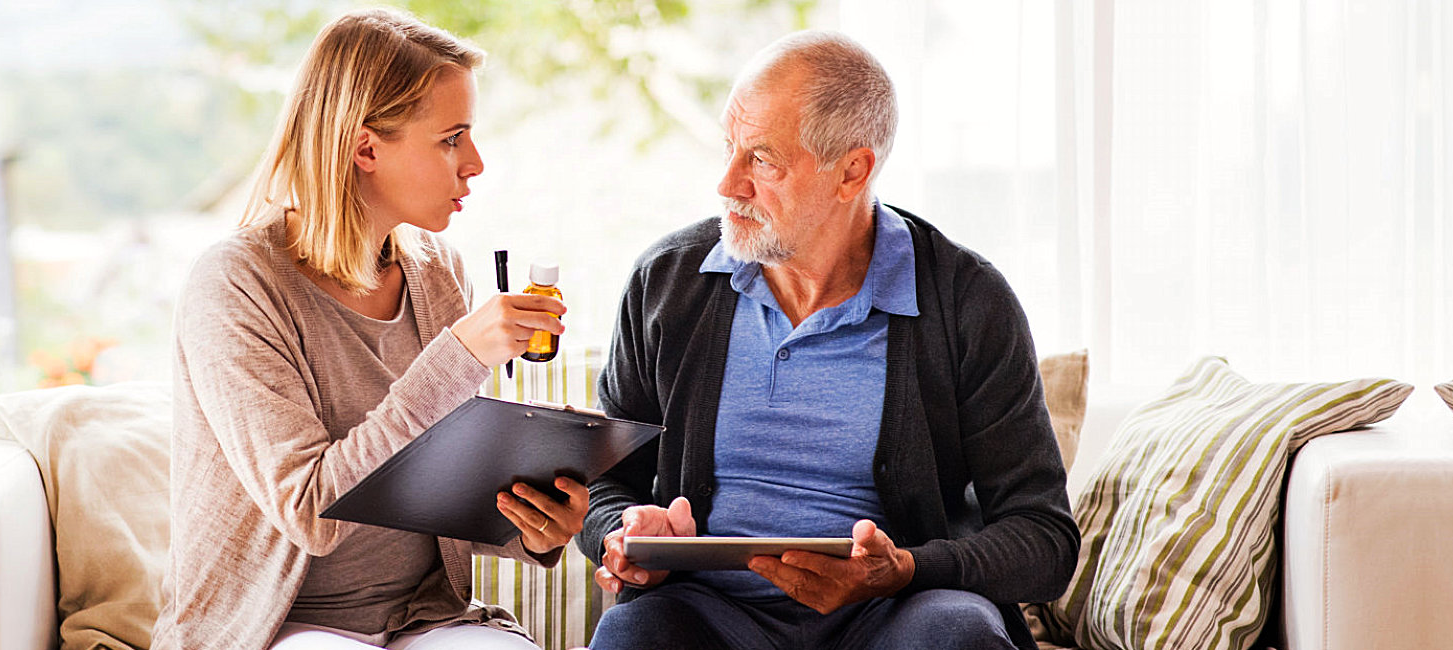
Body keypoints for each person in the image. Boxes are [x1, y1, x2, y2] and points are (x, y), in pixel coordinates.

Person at [576, 30, 1078, 650]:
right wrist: (622, 535)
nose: (727, 183)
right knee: (633, 636)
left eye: (761, 159)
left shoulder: (968, 301)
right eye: (729, 149)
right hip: (707, 611)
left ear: (852, 172)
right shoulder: (667, 281)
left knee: (959, 636)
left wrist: (907, 569)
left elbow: (1044, 540)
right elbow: (602, 481)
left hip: (897, 614)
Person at [152, 9, 587, 650]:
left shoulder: (439, 272)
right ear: (364, 149)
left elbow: (434, 487)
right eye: (451, 138)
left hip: (424, 614)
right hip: (273, 626)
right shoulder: (237, 283)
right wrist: (459, 354)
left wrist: (531, 528)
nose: (476, 163)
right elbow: (312, 513)